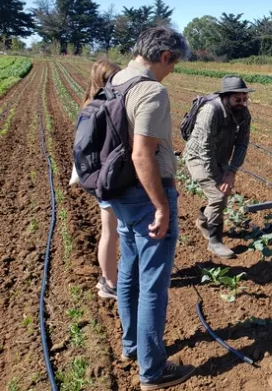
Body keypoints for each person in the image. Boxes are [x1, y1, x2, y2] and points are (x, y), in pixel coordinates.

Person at [106, 27, 195, 389]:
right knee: (153, 285)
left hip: (119, 192)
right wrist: (161, 206)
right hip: (146, 195)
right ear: (165, 57)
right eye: (175, 63)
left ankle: (131, 346)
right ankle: (153, 371)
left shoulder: (116, 80)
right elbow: (142, 154)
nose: (174, 70)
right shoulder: (151, 91)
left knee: (129, 270)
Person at [183, 76, 253, 259]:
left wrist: (231, 172)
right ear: (226, 97)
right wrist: (219, 177)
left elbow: (242, 144)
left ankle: (203, 220)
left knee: (222, 192)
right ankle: (214, 242)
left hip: (220, 157)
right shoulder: (210, 111)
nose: (242, 103)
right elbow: (205, 148)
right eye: (237, 99)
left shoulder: (244, 114)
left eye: (245, 99)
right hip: (198, 158)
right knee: (219, 195)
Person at [69, 59, 121, 300]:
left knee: (110, 231)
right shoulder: (107, 106)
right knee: (111, 232)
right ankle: (110, 283)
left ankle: (107, 278)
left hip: (98, 177)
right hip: (109, 178)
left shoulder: (90, 104)